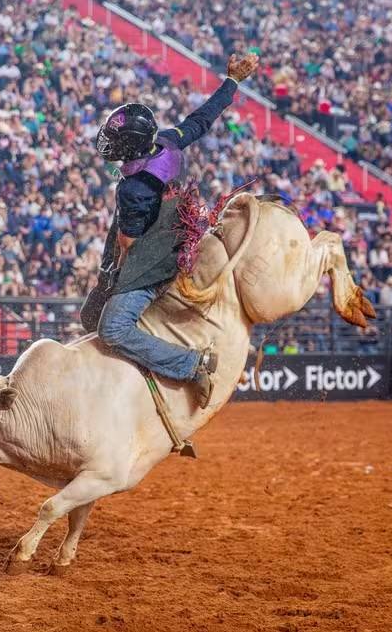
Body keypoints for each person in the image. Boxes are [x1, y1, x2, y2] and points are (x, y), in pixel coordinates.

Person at [82, 52, 259, 408]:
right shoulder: (168, 141)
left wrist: (111, 279)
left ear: (131, 147)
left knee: (110, 327)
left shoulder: (132, 189)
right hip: (185, 232)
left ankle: (192, 365)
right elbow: (202, 118)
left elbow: (129, 246)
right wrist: (233, 82)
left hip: (158, 258)